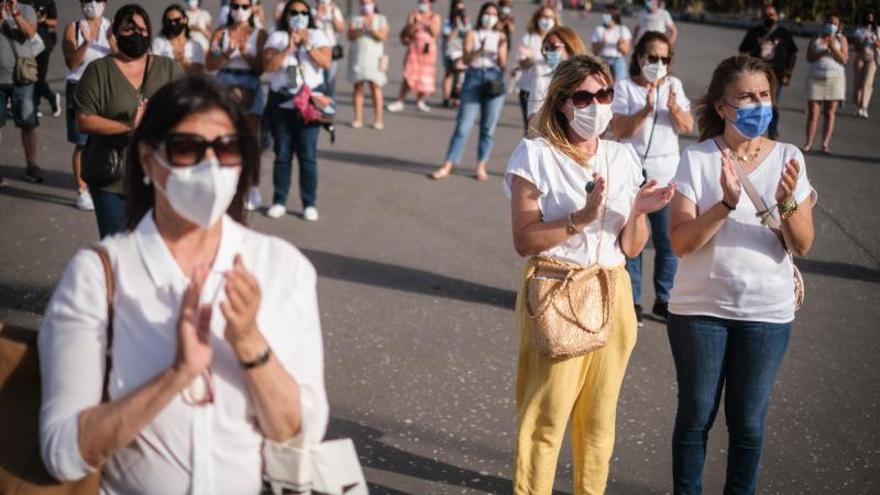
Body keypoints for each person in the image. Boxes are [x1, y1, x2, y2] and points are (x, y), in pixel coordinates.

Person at [39, 75, 329, 494]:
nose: (209, 166)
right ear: (148, 157)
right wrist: (175, 376)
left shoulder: (282, 267)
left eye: (227, 149)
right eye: (187, 148)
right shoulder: (99, 274)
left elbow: (300, 434)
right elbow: (63, 453)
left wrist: (249, 342)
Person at [506, 54, 675, 494]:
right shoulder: (536, 154)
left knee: (599, 419)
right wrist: (579, 218)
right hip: (557, 289)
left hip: (613, 290)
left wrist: (638, 210)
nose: (597, 104)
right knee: (546, 415)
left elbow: (632, 247)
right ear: (563, 103)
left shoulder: (621, 157)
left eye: (604, 94)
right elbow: (524, 240)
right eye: (584, 96)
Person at [667, 54, 816, 495]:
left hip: (766, 313)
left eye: (764, 95)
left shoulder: (789, 157)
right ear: (721, 107)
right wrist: (725, 205)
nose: (757, 104)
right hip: (699, 310)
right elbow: (681, 242)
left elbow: (803, 243)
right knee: (695, 416)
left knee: (748, 423)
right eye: (746, 97)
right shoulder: (695, 159)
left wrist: (787, 202)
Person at [75, 4, 184, 238]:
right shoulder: (99, 71)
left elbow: (187, 111)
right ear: (115, 31)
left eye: (142, 29)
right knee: (117, 250)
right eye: (129, 28)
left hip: (158, 179)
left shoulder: (168, 69)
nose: (137, 34)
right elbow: (83, 120)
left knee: (155, 249)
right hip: (111, 179)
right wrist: (128, 127)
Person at [611, 31, 692, 324]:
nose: (659, 63)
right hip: (632, 175)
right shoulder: (623, 88)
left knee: (667, 242)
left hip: (666, 175)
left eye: (665, 58)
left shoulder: (674, 86)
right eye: (653, 57)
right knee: (633, 242)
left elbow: (687, 125)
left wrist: (672, 107)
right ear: (640, 58)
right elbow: (619, 131)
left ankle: (663, 298)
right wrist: (646, 108)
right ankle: (632, 301)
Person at [262, 0, 331, 222]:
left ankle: (309, 203)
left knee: (307, 156)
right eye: (294, 12)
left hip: (309, 105)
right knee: (282, 155)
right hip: (282, 104)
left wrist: (307, 45)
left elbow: (326, 63)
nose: (299, 15)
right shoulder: (277, 35)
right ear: (286, 15)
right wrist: (289, 48)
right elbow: (269, 66)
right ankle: (279, 200)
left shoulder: (318, 35)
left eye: (303, 12)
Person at [431, 2, 508, 182]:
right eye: (487, 13)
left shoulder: (500, 36)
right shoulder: (473, 33)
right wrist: (479, 50)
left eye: (493, 14)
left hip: (493, 78)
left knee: (488, 127)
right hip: (473, 78)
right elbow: (465, 59)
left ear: (497, 18)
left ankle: (481, 165)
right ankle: (448, 164)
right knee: (463, 125)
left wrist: (499, 47)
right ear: (481, 15)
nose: (489, 17)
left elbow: (503, 63)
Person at [206, 0, 267, 211]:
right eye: (235, 6)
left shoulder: (259, 34)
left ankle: (253, 186)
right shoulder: (220, 32)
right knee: (224, 136)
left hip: (249, 81)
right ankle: (227, 185)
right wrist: (226, 53)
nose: (239, 11)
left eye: (244, 6)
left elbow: (261, 68)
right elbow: (209, 63)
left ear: (251, 9)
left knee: (251, 138)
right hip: (225, 81)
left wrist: (246, 53)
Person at [62, 0, 112, 212]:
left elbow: (120, 56)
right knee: (82, 142)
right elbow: (71, 62)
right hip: (80, 86)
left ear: (105, 3)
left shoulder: (111, 27)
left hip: (104, 87)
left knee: (105, 138)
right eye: (87, 0)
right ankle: (82, 191)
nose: (92, 4)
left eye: (97, 0)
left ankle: (102, 184)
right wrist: (87, 42)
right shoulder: (73, 27)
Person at [737, 3, 797, 140]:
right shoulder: (754, 32)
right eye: (765, 15)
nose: (768, 17)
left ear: (777, 16)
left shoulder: (784, 33)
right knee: (753, 104)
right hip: (756, 76)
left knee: (772, 105)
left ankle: (772, 133)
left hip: (777, 76)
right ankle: (752, 131)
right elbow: (742, 50)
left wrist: (788, 73)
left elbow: (793, 54)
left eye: (771, 15)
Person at [0, 0, 41, 185]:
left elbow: (30, 33)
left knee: (27, 122)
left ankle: (31, 164)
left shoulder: (26, 10)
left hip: (21, 78)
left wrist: (15, 12)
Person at [804, 13, 848, 154]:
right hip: (815, 77)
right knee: (813, 112)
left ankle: (825, 144)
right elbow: (809, 57)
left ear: (839, 26)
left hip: (835, 78)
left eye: (835, 23)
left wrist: (833, 47)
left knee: (830, 112)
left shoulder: (842, 39)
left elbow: (844, 60)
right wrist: (823, 51)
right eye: (830, 22)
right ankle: (808, 143)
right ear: (825, 23)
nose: (832, 25)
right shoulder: (816, 38)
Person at [386, 0, 440, 113]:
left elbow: (435, 33)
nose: (423, 4)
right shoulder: (414, 15)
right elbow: (407, 32)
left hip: (428, 51)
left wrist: (428, 23)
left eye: (425, 2)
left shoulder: (434, 16)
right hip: (414, 49)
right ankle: (400, 100)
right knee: (409, 74)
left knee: (425, 76)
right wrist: (413, 25)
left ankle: (420, 100)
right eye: (421, 1)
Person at [524, 25, 586, 120]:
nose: (548, 53)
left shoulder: (587, 81)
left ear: (570, 47)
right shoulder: (541, 82)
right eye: (546, 48)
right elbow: (533, 121)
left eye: (553, 47)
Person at [514, 6, 557, 131]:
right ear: (537, 19)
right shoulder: (529, 38)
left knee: (551, 129)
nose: (546, 20)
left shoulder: (558, 39)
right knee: (531, 128)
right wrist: (533, 58)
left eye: (550, 17)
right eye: (544, 17)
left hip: (552, 90)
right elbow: (523, 63)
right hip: (529, 89)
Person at [347, 0, 388, 129]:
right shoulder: (356, 19)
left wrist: (371, 28)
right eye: (363, 3)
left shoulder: (381, 19)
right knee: (358, 87)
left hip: (374, 57)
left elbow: (383, 36)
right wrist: (361, 29)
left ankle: (378, 119)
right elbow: (350, 35)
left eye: (368, 3)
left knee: (375, 87)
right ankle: (358, 118)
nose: (366, 5)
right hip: (358, 57)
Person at [22, 0, 59, 117]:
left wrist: (43, 20)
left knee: (40, 79)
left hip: (43, 45)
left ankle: (52, 99)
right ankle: (35, 105)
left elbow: (54, 22)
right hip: (27, 45)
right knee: (30, 77)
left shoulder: (48, 2)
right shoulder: (22, 2)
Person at [152, 4, 206, 73]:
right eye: (169, 21)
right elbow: (155, 69)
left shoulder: (195, 46)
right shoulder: (158, 43)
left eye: (177, 20)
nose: (173, 24)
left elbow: (198, 73)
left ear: (185, 20)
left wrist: (183, 61)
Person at [313, 0, 345, 99]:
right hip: (316, 50)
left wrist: (331, 14)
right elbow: (309, 28)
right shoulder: (312, 11)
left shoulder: (334, 10)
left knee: (330, 79)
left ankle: (330, 102)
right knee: (317, 79)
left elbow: (340, 28)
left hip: (331, 49)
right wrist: (318, 15)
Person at [592, 4, 631, 81]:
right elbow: (594, 51)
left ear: (614, 16)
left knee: (620, 83)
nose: (604, 16)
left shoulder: (623, 30)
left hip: (618, 60)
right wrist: (603, 43)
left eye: (606, 14)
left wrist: (620, 45)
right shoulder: (599, 29)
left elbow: (625, 51)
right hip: (603, 59)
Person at [441, 0, 468, 108]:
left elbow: (468, 36)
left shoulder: (466, 23)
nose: (460, 13)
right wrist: (456, 26)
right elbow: (448, 38)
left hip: (461, 51)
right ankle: (446, 98)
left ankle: (456, 97)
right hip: (449, 51)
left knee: (460, 74)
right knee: (448, 73)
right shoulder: (448, 22)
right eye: (458, 10)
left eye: (462, 10)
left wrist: (463, 24)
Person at [853, 11, 879, 118]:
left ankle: (864, 107)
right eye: (868, 17)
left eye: (872, 18)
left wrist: (874, 40)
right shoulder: (859, 30)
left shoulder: (877, 30)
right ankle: (858, 106)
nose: (870, 19)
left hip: (872, 56)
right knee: (858, 81)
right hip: (861, 55)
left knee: (867, 82)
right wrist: (864, 41)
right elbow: (856, 47)